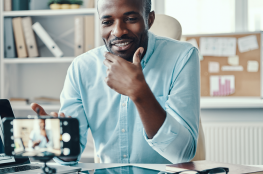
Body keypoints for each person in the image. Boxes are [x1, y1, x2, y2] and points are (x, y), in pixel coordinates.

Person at [31, 0, 200, 165]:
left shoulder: (182, 57)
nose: (118, 31)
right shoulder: (82, 67)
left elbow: (182, 154)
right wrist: (59, 141)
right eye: (107, 22)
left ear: (149, 19)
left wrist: (140, 92)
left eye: (131, 19)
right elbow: (70, 156)